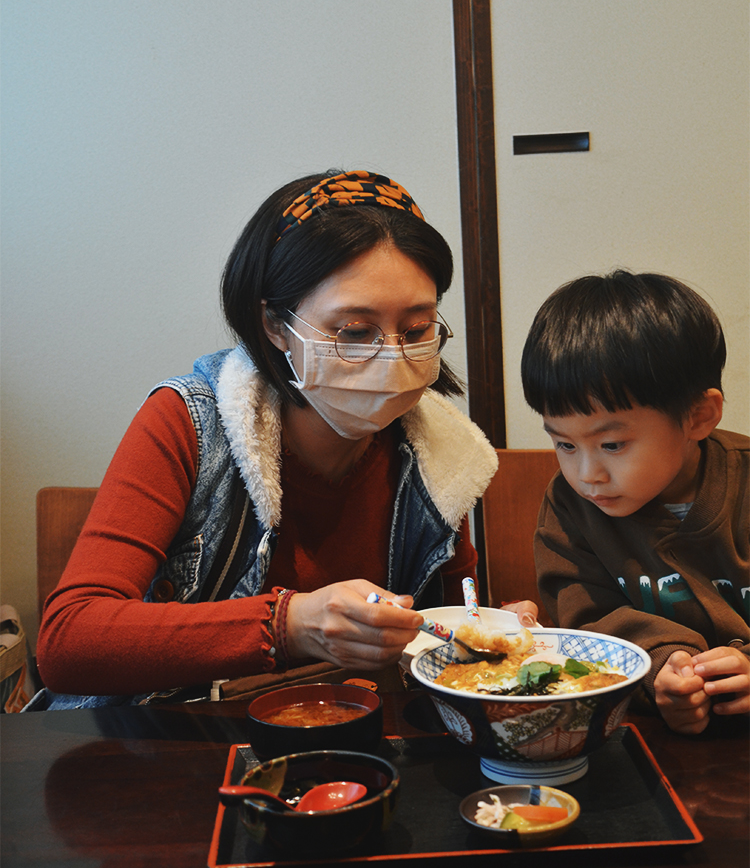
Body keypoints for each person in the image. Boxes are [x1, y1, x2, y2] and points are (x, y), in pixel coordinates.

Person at [34, 169, 537, 709]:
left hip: (350, 739)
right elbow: (69, 640)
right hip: (180, 742)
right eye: (353, 332)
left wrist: (500, 631)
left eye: (415, 331)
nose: (392, 359)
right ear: (275, 325)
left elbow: (448, 624)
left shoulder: (441, 452)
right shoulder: (187, 422)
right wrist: (287, 623)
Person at [521, 269, 749, 735]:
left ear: (698, 416)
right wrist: (659, 672)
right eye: (565, 445)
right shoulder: (571, 507)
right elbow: (586, 623)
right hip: (646, 743)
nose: (588, 475)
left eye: (612, 445)